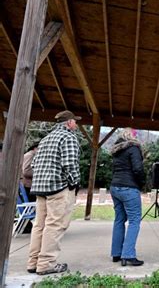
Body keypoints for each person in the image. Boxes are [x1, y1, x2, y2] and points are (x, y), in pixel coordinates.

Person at [27, 110, 81, 275]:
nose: (76, 124)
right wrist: (74, 183)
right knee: (55, 225)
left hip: (40, 188)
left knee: (39, 226)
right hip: (58, 188)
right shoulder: (68, 137)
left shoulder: (45, 139)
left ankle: (33, 262)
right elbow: (70, 164)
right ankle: (47, 263)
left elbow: (34, 164)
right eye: (75, 121)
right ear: (68, 123)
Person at [110, 128, 145, 266]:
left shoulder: (116, 151)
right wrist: (142, 182)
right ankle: (128, 254)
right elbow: (138, 169)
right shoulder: (134, 148)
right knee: (134, 220)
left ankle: (116, 253)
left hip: (115, 186)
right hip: (129, 187)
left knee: (119, 219)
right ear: (133, 137)